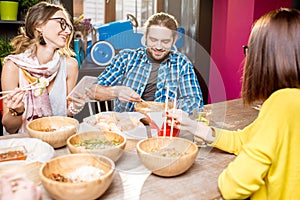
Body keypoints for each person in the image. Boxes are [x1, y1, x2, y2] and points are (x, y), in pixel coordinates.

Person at [166, 8, 300, 199]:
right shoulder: (292, 101)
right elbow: (244, 140)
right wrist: (194, 127)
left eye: (250, 50)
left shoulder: (283, 102)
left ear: (267, 56)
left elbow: (234, 185)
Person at [86, 12, 203, 113]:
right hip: (127, 128)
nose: (158, 47)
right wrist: (116, 91)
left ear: (174, 40)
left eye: (165, 41)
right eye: (153, 40)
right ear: (145, 37)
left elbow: (195, 103)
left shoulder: (181, 63)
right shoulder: (126, 58)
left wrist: (165, 108)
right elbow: (92, 91)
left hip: (164, 128)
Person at [1, 2, 83, 134]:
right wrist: (17, 111)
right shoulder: (13, 67)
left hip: (57, 141)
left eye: (68, 26)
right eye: (61, 23)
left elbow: (65, 117)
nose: (67, 31)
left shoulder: (70, 66)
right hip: (24, 146)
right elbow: (10, 128)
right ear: (39, 25)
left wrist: (74, 108)